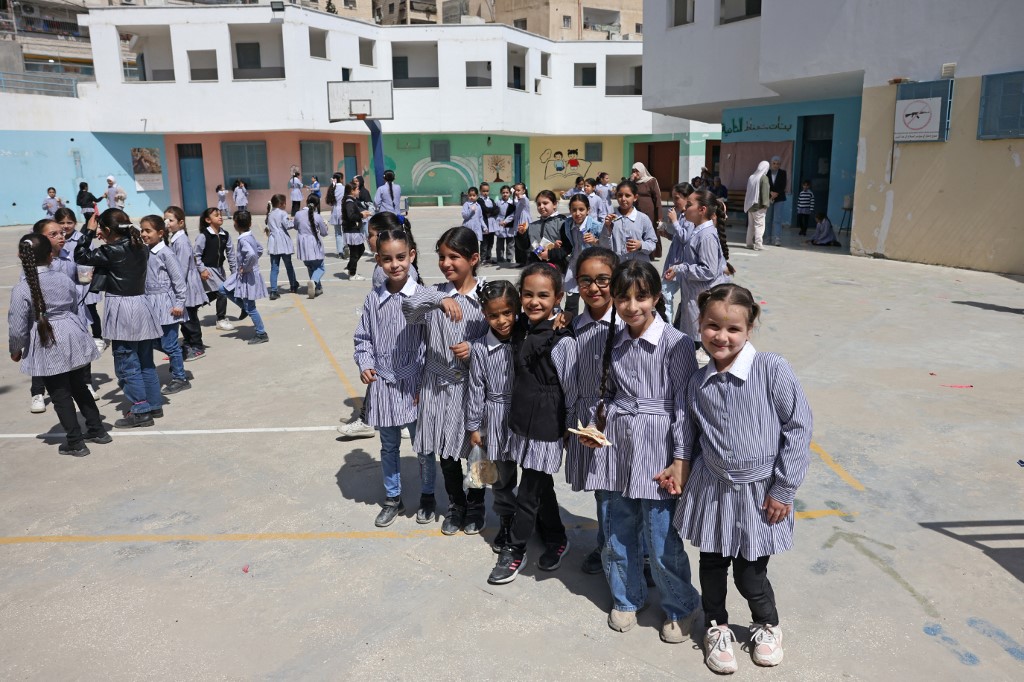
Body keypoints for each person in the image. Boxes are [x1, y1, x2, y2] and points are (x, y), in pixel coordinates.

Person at [661, 283, 812, 673]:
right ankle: (716, 626)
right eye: (712, 326)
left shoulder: (771, 369)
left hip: (760, 493)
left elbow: (798, 427)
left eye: (733, 329)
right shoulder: (698, 381)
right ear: (699, 323)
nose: (721, 336)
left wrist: (783, 488)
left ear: (750, 327)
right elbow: (688, 430)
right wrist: (679, 467)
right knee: (711, 564)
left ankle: (767, 625)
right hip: (712, 490)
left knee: (751, 572)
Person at [578, 259, 702, 644]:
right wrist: (595, 428)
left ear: (656, 298)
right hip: (617, 445)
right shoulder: (613, 339)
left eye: (641, 297)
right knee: (615, 527)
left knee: (661, 536)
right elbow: (608, 393)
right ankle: (626, 597)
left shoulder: (677, 343)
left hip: (658, 448)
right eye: (623, 298)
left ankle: (681, 605)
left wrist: (680, 461)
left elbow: (683, 407)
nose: (632, 307)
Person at [488, 263, 573, 585]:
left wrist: (568, 429)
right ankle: (556, 536)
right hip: (521, 421)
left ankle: (515, 548)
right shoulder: (520, 326)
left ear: (557, 298)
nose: (534, 301)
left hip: (546, 427)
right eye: (527, 294)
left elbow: (572, 390)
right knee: (540, 486)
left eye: (543, 295)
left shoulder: (562, 340)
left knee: (527, 493)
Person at [402, 227, 488, 533]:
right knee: (447, 452)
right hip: (437, 387)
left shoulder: (486, 295)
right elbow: (408, 308)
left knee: (478, 449)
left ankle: (476, 504)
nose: (446, 263)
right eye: (441, 257)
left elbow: (504, 334)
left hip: (473, 387)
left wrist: (475, 349)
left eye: (454, 256)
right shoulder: (435, 293)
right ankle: (456, 504)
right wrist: (440, 299)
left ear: (473, 259)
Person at [8, 233, 106, 456]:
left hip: (46, 338)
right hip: (72, 332)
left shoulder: (22, 288)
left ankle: (75, 442)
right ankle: (98, 430)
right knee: (79, 385)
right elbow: (74, 305)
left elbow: (17, 324)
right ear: (51, 255)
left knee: (59, 393)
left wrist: (16, 348)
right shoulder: (63, 278)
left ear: (21, 256)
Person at [354, 229, 426, 527]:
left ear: (411, 256)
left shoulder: (421, 297)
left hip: (414, 384)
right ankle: (392, 498)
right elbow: (363, 337)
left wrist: (424, 382)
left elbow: (431, 342)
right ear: (378, 260)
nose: (395, 264)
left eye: (400, 257)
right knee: (388, 445)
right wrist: (365, 363)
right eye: (387, 259)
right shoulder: (374, 299)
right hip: (383, 384)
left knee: (423, 445)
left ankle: (428, 496)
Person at [75, 209, 164, 429]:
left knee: (127, 362)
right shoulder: (140, 246)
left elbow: (81, 256)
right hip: (141, 304)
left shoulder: (111, 250)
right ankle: (154, 404)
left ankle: (140, 410)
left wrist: (88, 231)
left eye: (102, 229)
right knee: (145, 360)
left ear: (106, 229)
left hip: (123, 308)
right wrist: (104, 235)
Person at [561, 247, 621, 574]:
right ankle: (606, 544)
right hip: (588, 421)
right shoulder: (572, 326)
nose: (593, 288)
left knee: (625, 492)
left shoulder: (628, 323)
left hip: (623, 420)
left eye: (602, 280)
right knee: (602, 490)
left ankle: (633, 552)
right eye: (585, 280)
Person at [338, 211, 421, 441]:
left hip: (398, 347)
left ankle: (370, 420)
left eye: (372, 234)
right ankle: (380, 418)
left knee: (386, 381)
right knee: (378, 378)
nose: (368, 239)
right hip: (385, 345)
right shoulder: (385, 270)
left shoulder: (397, 273)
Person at [466, 280, 518, 551]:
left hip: (526, 415)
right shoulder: (480, 348)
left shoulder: (525, 339)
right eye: (493, 315)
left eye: (507, 313)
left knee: (537, 476)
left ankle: (543, 522)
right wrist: (475, 426)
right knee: (501, 478)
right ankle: (507, 521)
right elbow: (476, 388)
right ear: (484, 315)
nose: (502, 321)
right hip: (496, 419)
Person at [666, 190, 730, 359]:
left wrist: (681, 268)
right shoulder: (698, 231)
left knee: (703, 346)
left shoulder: (706, 236)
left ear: (702, 210)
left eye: (689, 205)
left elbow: (708, 270)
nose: (684, 208)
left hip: (701, 299)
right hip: (692, 297)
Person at [139, 215, 189, 394]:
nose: (144, 234)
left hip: (167, 305)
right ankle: (178, 354)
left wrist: (180, 304)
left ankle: (180, 378)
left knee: (169, 344)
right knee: (152, 342)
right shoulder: (146, 250)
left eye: (148, 230)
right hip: (151, 304)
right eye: (142, 230)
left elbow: (179, 280)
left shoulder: (166, 253)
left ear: (160, 233)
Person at [55, 207, 105, 362]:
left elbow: (91, 258)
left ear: (75, 223)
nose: (65, 226)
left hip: (84, 283)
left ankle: (98, 337)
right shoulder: (56, 239)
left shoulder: (82, 239)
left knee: (91, 310)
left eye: (69, 222)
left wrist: (86, 276)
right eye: (62, 222)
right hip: (66, 284)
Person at [163, 206, 209, 362]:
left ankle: (197, 347)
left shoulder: (181, 242)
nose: (167, 223)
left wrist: (177, 289)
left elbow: (181, 269)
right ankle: (188, 344)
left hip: (186, 286)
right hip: (183, 285)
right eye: (165, 220)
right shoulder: (175, 239)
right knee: (184, 318)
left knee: (190, 319)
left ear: (181, 223)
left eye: (170, 220)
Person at [221, 210, 269, 344]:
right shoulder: (250, 236)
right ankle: (244, 307)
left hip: (247, 275)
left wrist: (246, 267)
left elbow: (252, 254)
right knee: (223, 288)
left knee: (251, 307)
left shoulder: (243, 240)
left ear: (235, 224)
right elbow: (259, 249)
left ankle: (261, 333)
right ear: (250, 223)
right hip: (245, 274)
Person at [660, 182, 696, 324]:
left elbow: (685, 238)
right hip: (673, 262)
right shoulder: (681, 215)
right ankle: (667, 326)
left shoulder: (690, 216)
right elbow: (678, 238)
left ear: (687, 198)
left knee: (686, 299)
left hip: (684, 265)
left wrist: (674, 221)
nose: (674, 202)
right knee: (665, 294)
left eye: (677, 198)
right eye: (673, 198)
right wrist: (667, 234)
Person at [194, 207, 236, 331]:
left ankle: (193, 305)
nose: (220, 217)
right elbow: (196, 255)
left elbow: (231, 254)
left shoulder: (225, 235)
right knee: (222, 292)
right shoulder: (203, 236)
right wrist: (202, 269)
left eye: (220, 214)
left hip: (219, 269)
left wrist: (234, 271)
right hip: (208, 268)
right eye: (216, 215)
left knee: (217, 292)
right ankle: (221, 320)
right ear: (208, 220)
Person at [602, 180, 657, 263]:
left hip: (638, 265)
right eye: (620, 195)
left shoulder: (643, 219)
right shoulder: (611, 219)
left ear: (635, 197)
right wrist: (607, 227)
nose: (623, 199)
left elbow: (652, 243)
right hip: (618, 265)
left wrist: (641, 245)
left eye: (627, 196)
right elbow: (604, 245)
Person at [265, 194, 301, 299]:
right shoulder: (283, 213)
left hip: (273, 242)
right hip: (283, 242)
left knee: (274, 268)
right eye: (285, 203)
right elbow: (287, 225)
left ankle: (273, 290)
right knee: (289, 265)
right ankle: (293, 285)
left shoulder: (270, 214)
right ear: (281, 204)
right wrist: (294, 221)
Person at [294, 195, 329, 297]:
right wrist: (325, 225)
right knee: (320, 267)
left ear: (306, 201)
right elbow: (324, 233)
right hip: (314, 244)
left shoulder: (298, 214)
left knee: (310, 267)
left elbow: (295, 226)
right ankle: (313, 281)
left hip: (303, 245)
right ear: (317, 205)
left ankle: (317, 288)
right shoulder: (317, 216)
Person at [524, 190, 568, 271]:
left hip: (556, 267)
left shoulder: (563, 223)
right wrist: (521, 234)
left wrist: (552, 252)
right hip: (536, 266)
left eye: (545, 203)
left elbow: (568, 248)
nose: (541, 206)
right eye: (538, 204)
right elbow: (524, 246)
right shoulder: (532, 226)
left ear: (554, 204)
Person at [630, 162, 663, 259]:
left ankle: (652, 254)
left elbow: (657, 198)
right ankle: (640, 252)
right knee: (638, 230)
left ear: (642, 170)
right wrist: (631, 181)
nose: (635, 173)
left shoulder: (651, 181)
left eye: (637, 171)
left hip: (649, 211)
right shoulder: (633, 182)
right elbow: (627, 189)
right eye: (633, 171)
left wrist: (659, 216)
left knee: (650, 231)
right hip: (636, 210)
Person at [341, 182, 371, 281]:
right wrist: (361, 215)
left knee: (361, 249)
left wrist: (362, 213)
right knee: (355, 253)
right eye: (357, 189)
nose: (359, 191)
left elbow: (353, 213)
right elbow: (351, 216)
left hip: (353, 229)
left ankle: (349, 267)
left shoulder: (352, 200)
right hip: (351, 230)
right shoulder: (349, 202)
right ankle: (352, 274)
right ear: (352, 191)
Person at [743, 161, 771, 251]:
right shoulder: (764, 178)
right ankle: (758, 244)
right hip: (759, 205)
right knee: (759, 225)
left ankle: (749, 243)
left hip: (750, 205)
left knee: (751, 225)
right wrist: (766, 204)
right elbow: (765, 192)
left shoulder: (752, 177)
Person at [765, 156, 788, 246]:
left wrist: (776, 193)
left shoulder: (783, 173)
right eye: (774, 163)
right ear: (771, 164)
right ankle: (768, 238)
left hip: (779, 198)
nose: (776, 165)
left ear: (780, 164)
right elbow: (765, 184)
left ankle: (777, 239)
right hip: (769, 197)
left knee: (777, 219)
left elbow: (783, 185)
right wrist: (770, 192)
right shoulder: (767, 172)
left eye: (778, 164)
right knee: (768, 219)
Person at [479, 182, 501, 265]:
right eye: (483, 191)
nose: (485, 193)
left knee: (491, 242)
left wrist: (490, 213)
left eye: (487, 191)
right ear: (480, 191)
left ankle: (488, 258)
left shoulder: (491, 200)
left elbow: (497, 210)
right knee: (484, 243)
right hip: (484, 225)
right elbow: (484, 209)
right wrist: (491, 210)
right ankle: (483, 258)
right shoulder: (480, 200)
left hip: (492, 225)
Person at [511, 182, 532, 266]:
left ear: (523, 191)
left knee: (524, 242)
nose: (516, 192)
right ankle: (520, 261)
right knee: (518, 243)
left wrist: (520, 196)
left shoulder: (525, 199)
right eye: (515, 190)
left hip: (524, 223)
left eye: (518, 190)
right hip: (518, 223)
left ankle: (526, 261)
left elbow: (523, 199)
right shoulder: (517, 200)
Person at [495, 185, 516, 264]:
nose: (505, 194)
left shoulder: (512, 202)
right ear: (501, 193)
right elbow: (496, 213)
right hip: (500, 224)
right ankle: (500, 258)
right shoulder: (498, 203)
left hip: (510, 223)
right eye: (503, 192)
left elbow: (513, 214)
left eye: (507, 192)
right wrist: (498, 222)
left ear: (510, 193)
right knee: (500, 243)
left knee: (510, 243)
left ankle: (509, 258)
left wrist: (506, 221)